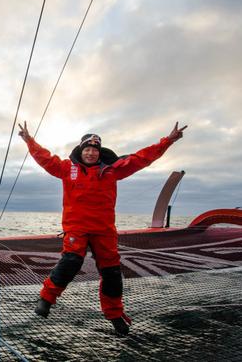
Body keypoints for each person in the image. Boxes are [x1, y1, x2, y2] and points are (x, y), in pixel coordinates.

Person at [18, 121, 187, 335]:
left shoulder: (112, 170)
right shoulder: (66, 168)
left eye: (94, 150)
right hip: (76, 228)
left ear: (100, 153)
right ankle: (46, 298)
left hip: (104, 230)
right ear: (81, 151)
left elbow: (142, 158)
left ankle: (115, 315)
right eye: (87, 149)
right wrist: (28, 140)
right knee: (71, 261)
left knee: (112, 273)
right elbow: (44, 158)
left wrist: (168, 140)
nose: (90, 153)